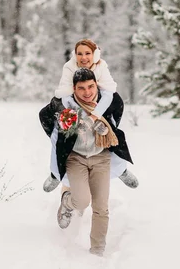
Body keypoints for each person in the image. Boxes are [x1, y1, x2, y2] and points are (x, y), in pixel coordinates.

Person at [38, 68, 133, 256]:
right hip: (76, 159)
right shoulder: (66, 107)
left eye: (91, 87)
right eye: (81, 88)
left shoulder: (105, 105)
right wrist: (57, 135)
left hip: (101, 158)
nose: (87, 92)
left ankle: (97, 251)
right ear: (74, 88)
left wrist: (105, 130)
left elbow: (116, 120)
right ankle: (67, 201)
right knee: (81, 202)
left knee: (101, 207)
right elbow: (45, 117)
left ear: (96, 86)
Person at [42, 38, 138, 192]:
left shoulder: (101, 66)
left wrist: (95, 115)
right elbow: (64, 93)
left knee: (112, 131)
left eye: (88, 53)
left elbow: (109, 93)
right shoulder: (69, 67)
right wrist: (76, 115)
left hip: (97, 104)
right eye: (79, 53)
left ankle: (121, 170)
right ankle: (56, 174)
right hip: (71, 105)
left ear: (95, 54)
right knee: (57, 134)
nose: (83, 57)